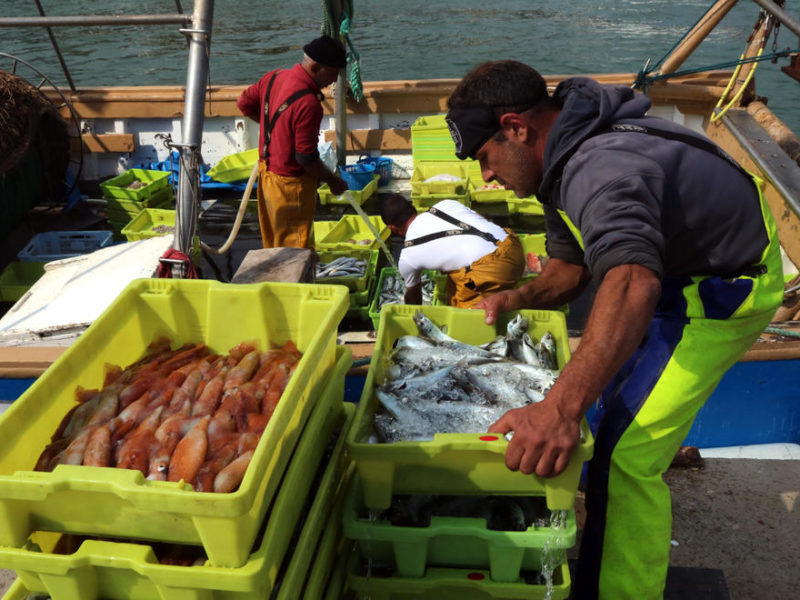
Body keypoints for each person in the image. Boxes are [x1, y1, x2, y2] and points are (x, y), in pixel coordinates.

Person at [445, 60, 783, 599]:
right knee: (607, 413)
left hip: (724, 289)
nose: (485, 175)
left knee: (626, 458)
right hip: (673, 270)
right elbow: (571, 266)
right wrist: (523, 295)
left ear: (515, 127)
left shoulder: (599, 169)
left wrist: (557, 410)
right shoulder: (558, 161)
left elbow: (630, 283)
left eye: (485, 158)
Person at [237, 36, 348, 249]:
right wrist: (333, 180)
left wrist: (273, 128)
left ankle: (275, 281)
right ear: (316, 67)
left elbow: (244, 103)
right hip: (290, 188)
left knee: (274, 245)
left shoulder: (273, 77)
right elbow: (306, 157)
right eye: (333, 74)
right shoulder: (309, 104)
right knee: (295, 251)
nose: (333, 82)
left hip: (266, 177)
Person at [380, 194, 525, 308]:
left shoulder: (407, 257)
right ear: (413, 209)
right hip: (513, 245)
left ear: (392, 228)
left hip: (492, 272)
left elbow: (414, 298)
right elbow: (481, 220)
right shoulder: (446, 204)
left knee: (464, 314)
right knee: (455, 281)